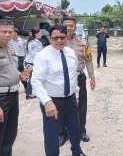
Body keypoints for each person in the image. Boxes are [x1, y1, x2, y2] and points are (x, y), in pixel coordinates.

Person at [31, 24, 86, 156]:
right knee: (52, 134)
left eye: (62, 37)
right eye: (55, 38)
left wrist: (76, 94)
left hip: (71, 98)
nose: (59, 41)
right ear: (49, 39)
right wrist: (46, 102)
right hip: (52, 101)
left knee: (74, 128)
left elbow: (73, 77)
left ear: (66, 38)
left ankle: (77, 152)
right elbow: (36, 81)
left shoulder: (70, 53)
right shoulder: (42, 56)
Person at [59, 17, 96, 146]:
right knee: (61, 106)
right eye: (66, 26)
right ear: (62, 27)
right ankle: (62, 133)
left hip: (79, 78)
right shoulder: (57, 42)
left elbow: (89, 60)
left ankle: (81, 130)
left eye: (71, 26)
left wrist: (92, 77)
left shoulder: (83, 42)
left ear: (75, 28)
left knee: (81, 106)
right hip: (61, 79)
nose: (68, 28)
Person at [0, 19, 28, 156]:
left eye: (10, 31)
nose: (7, 34)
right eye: (3, 31)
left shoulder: (10, 48)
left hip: (13, 95)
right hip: (1, 98)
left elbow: (11, 69)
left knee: (10, 133)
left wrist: (19, 75)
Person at [24, 27, 43, 99]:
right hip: (30, 63)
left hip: (32, 62)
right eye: (40, 33)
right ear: (36, 34)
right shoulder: (33, 43)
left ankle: (28, 92)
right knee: (26, 77)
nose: (41, 34)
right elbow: (33, 54)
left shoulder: (37, 41)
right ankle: (29, 93)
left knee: (30, 77)